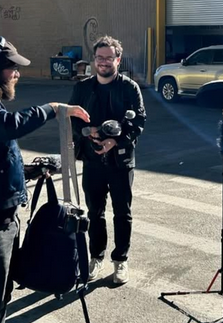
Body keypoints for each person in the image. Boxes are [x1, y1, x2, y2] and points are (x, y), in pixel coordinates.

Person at [0, 35, 90, 323]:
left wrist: (27, 172)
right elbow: (5, 127)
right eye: (12, 68)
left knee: (0, 296)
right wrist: (52, 109)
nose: (17, 74)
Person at [69, 35, 146, 285]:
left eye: (109, 58)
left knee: (123, 212)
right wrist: (87, 132)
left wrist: (116, 141)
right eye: (100, 57)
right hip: (92, 161)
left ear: (118, 60)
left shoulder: (129, 88)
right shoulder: (82, 88)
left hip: (121, 161)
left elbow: (139, 121)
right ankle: (96, 256)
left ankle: (120, 260)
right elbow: (71, 118)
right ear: (94, 60)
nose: (103, 62)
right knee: (95, 212)